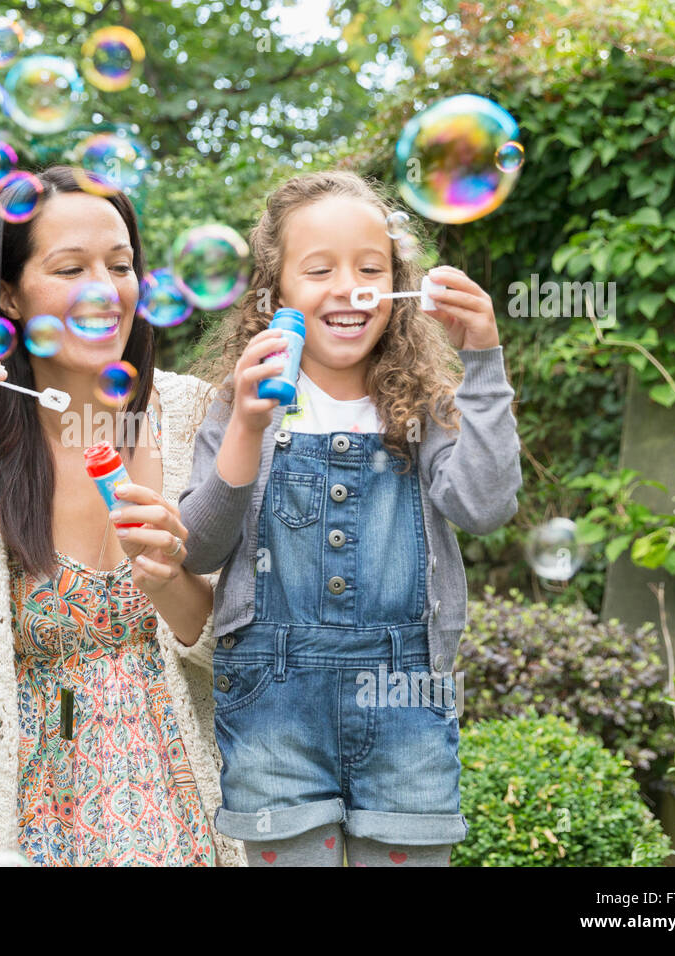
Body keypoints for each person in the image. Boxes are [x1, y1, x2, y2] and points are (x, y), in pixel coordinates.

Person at [0, 166, 244, 866]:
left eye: (120, 266)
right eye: (69, 268)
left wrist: (170, 586)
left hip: (191, 823)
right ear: (9, 292)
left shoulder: (199, 421)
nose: (104, 289)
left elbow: (251, 645)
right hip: (21, 829)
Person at [180, 169, 522, 867]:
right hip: (273, 705)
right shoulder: (244, 402)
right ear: (275, 292)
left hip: (408, 703)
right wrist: (247, 426)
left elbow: (485, 507)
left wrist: (482, 357)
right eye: (320, 268)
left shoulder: (423, 407)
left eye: (372, 267)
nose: (350, 286)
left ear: (398, 288)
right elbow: (198, 549)